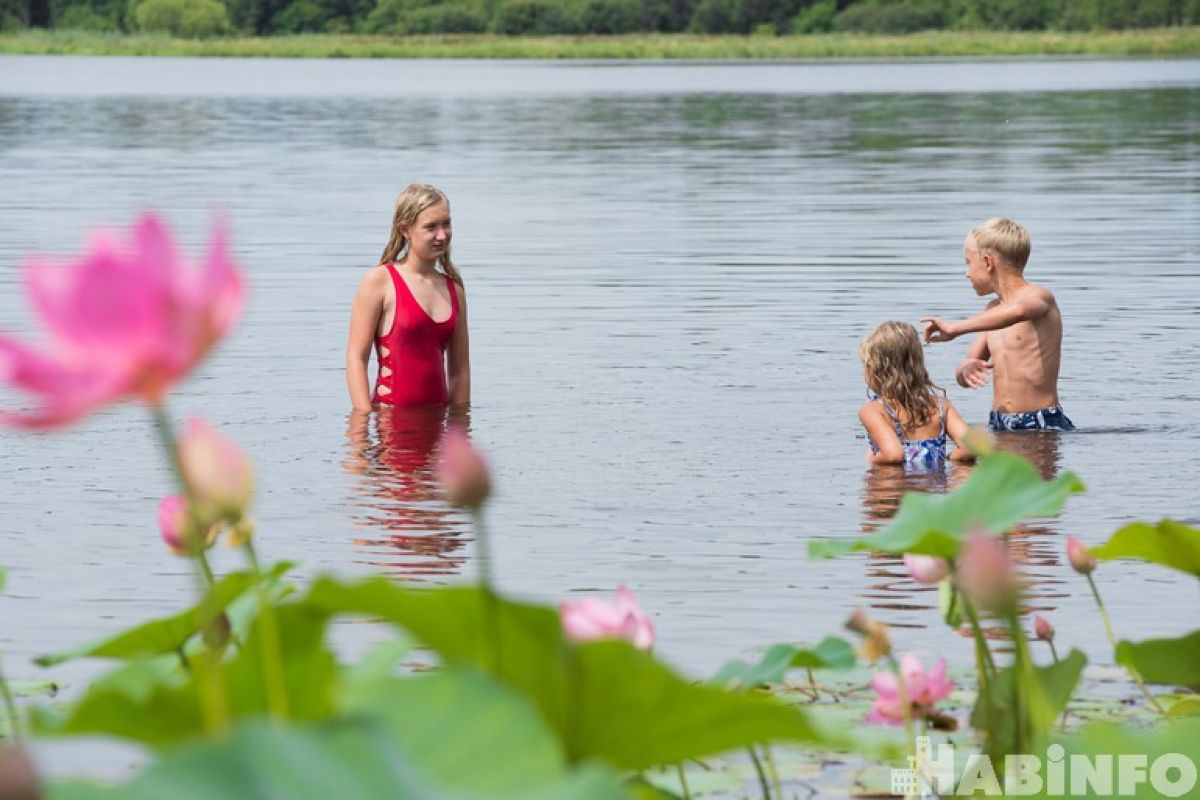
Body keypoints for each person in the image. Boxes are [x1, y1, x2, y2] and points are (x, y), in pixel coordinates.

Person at [920, 217, 1073, 431]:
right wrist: (964, 370)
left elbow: (1018, 311)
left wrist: (955, 328)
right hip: (999, 421)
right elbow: (968, 368)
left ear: (988, 262)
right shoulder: (992, 312)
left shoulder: (1039, 296)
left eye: (968, 262)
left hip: (1040, 422)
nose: (966, 273)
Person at [346, 183, 470, 410]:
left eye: (446, 224)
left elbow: (460, 372)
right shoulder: (379, 282)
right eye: (430, 227)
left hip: (437, 424)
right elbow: (356, 359)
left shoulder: (455, 290)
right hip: (390, 423)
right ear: (405, 230)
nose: (442, 235)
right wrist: (361, 431)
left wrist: (460, 432)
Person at [858, 321, 974, 467]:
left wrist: (871, 460)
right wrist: (948, 458)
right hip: (934, 488)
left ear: (877, 369)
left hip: (894, 487)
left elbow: (893, 455)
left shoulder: (873, 411)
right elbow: (971, 447)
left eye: (866, 365)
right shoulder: (941, 406)